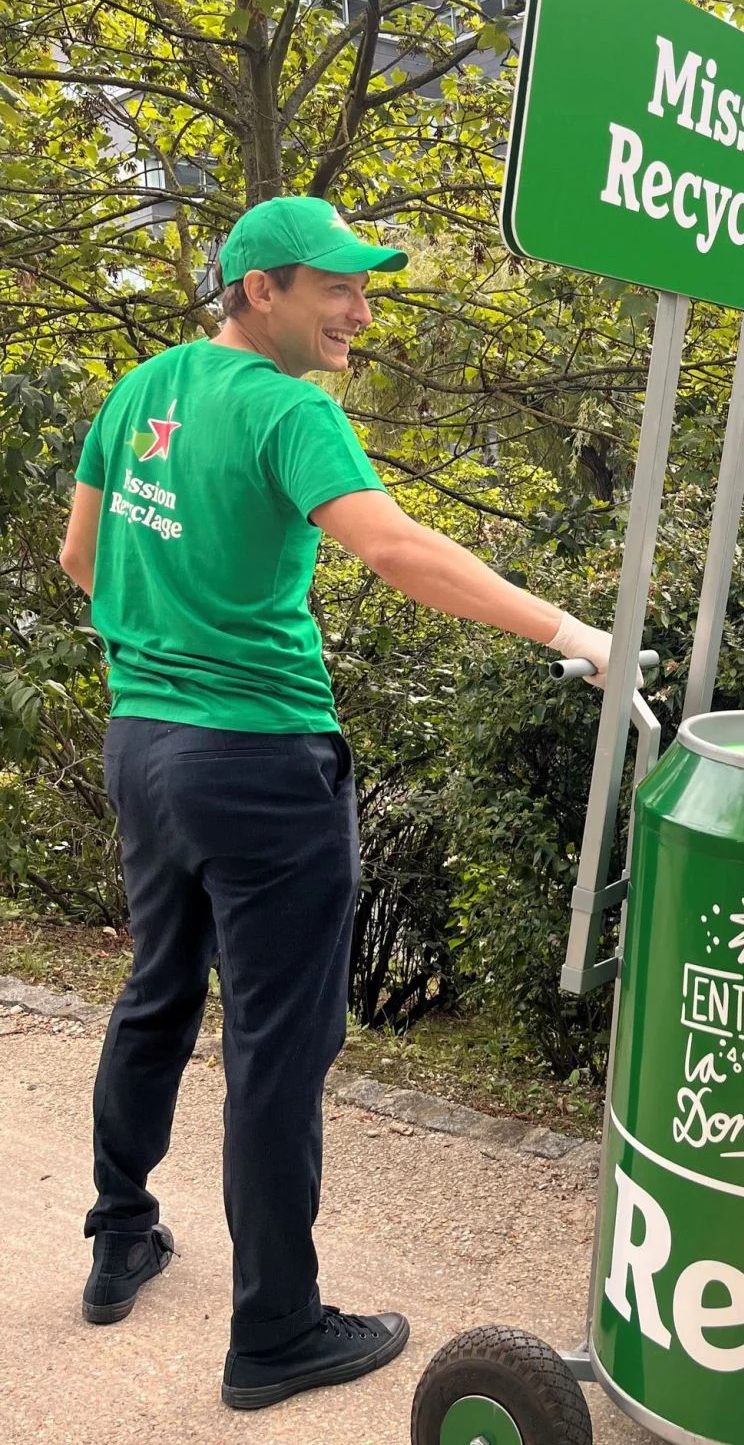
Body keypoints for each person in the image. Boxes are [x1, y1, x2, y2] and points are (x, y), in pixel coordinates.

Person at [58, 195, 614, 1409]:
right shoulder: (287, 407)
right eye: (335, 289)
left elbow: (80, 561)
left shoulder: (141, 387)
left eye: (365, 288)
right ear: (259, 290)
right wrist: (573, 631)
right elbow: (395, 548)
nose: (361, 311)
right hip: (258, 760)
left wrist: (168, 635)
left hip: (142, 741)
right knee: (276, 1042)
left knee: (158, 987)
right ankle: (276, 1335)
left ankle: (118, 1236)